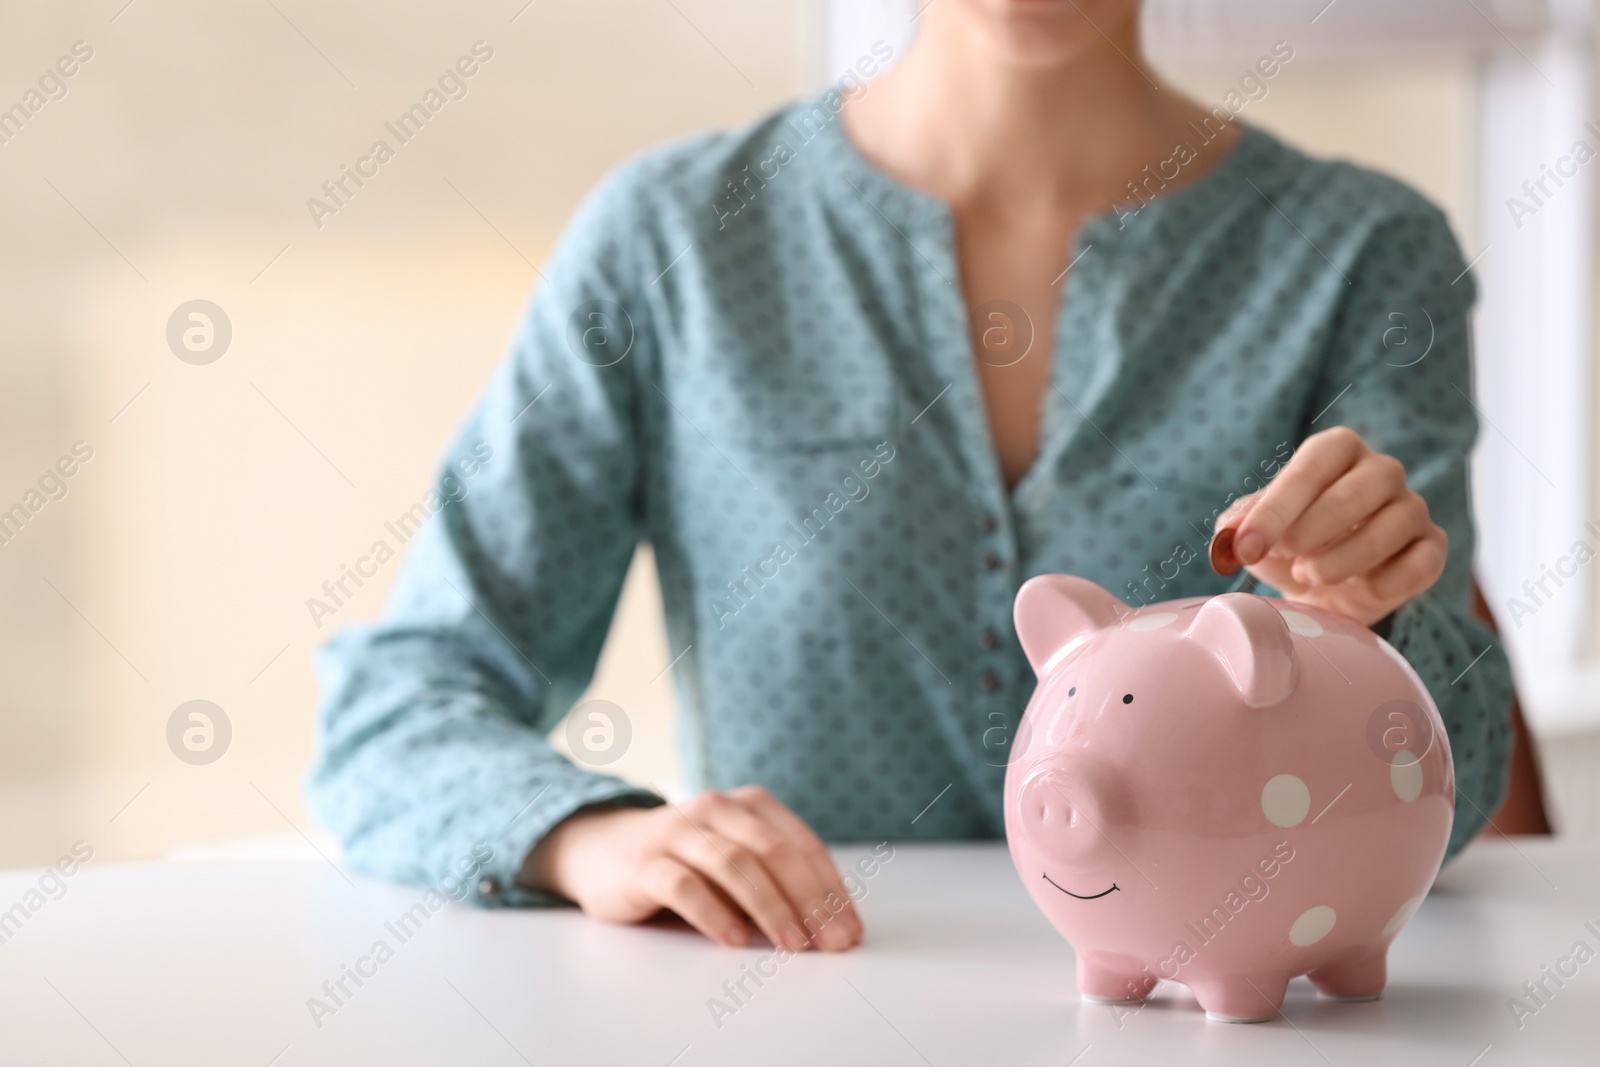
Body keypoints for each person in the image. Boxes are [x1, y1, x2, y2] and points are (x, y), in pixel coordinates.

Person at [306, 0, 1514, 954]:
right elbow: (395, 711)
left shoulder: (1367, 256)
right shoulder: (666, 247)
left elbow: (1447, 801)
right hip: (791, 1006)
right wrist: (591, 838)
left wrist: (1361, 629)